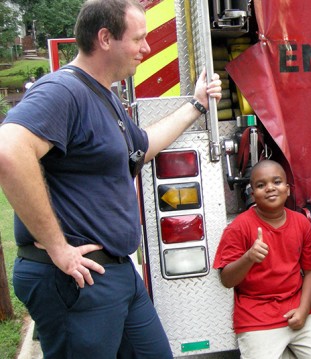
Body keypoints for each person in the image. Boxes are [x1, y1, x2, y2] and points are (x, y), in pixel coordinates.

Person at [0, 0, 222, 357]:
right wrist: (59, 248)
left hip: (116, 274)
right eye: (139, 39)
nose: (147, 49)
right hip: (78, 282)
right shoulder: (63, 90)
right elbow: (8, 151)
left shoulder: (103, 94)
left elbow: (142, 146)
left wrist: (195, 106)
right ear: (105, 38)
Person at [214, 160, 311, 359]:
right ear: (252, 195)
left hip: (298, 309)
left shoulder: (301, 223)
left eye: (276, 182)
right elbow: (226, 280)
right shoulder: (239, 227)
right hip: (257, 317)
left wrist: (303, 310)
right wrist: (248, 257)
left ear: (287, 190)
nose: (270, 188)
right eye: (261, 185)